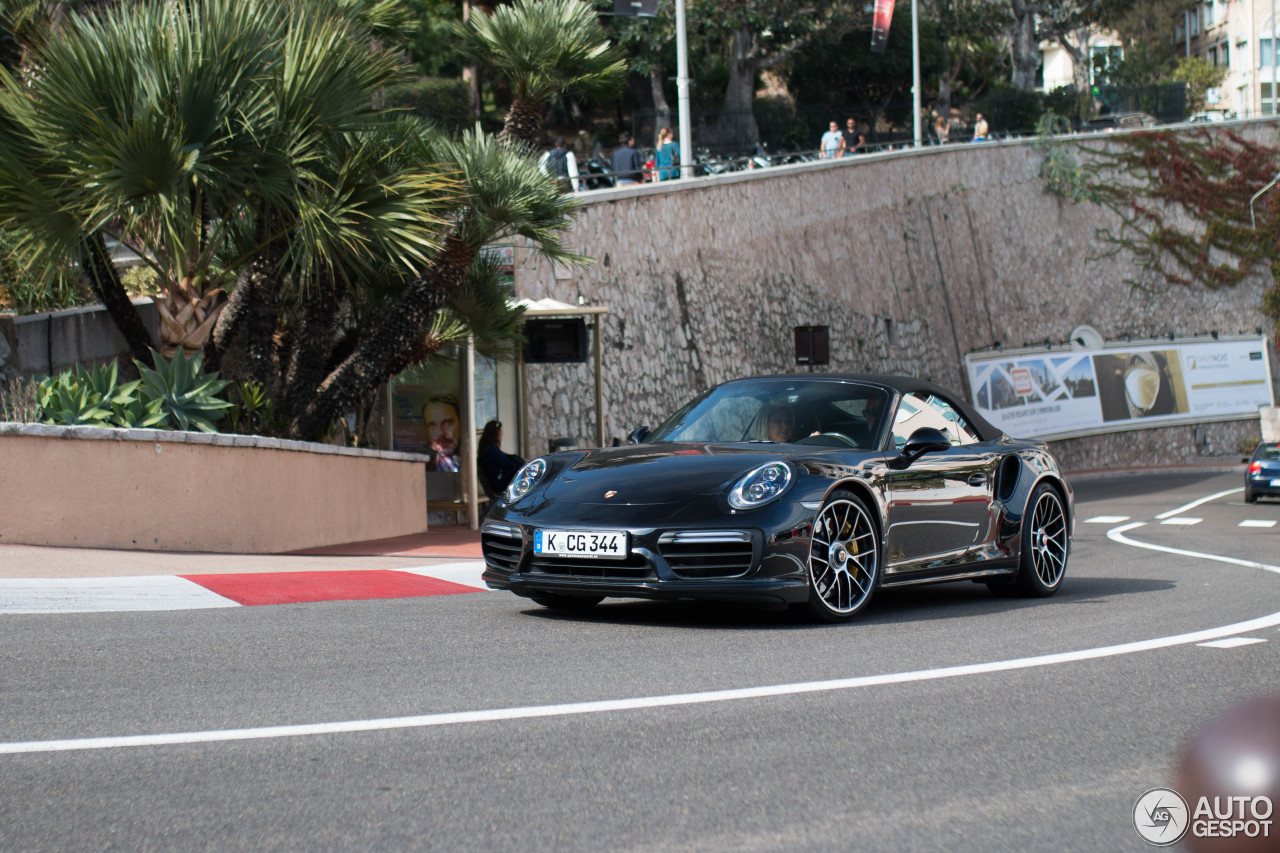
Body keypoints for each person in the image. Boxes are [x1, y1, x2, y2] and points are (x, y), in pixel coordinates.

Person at [477, 420, 526, 497]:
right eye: (500, 432)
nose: (502, 434)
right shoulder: (491, 450)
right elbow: (508, 463)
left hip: (497, 484)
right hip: (500, 485)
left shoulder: (486, 450)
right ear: (496, 434)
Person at [422, 394, 460, 472]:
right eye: (432, 425)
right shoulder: (427, 467)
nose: (440, 433)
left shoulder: (472, 463)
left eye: (447, 423)